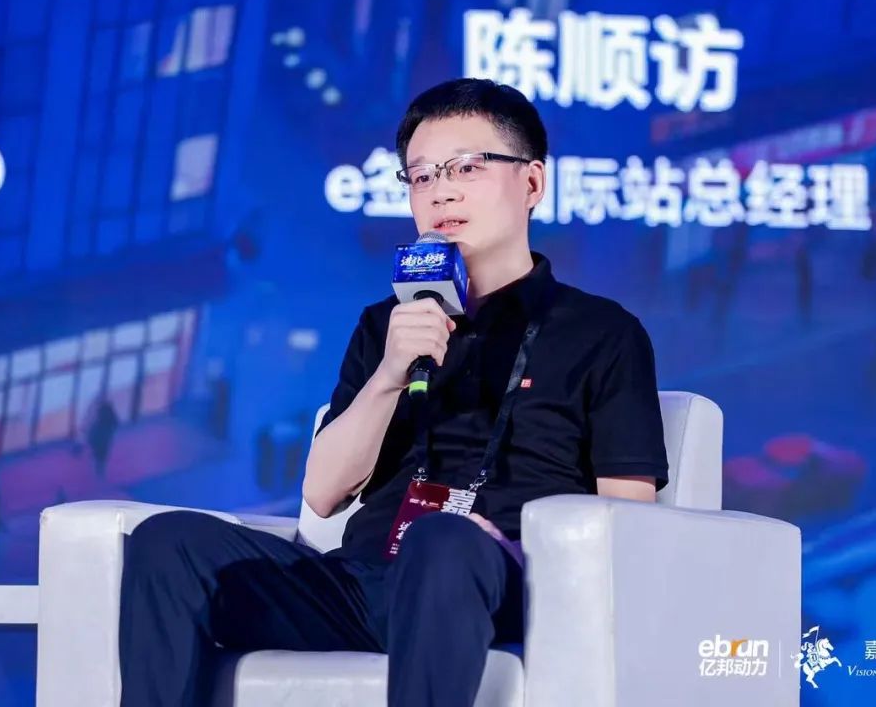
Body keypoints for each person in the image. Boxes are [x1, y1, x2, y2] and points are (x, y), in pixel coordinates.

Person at [118, 78, 669, 707]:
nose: (441, 191)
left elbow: (627, 518)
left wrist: (516, 549)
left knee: (442, 539)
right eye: (422, 176)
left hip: (496, 581)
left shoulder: (602, 332)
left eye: (467, 167)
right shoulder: (387, 325)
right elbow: (322, 495)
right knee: (168, 542)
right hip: (361, 582)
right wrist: (389, 373)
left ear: (532, 182)